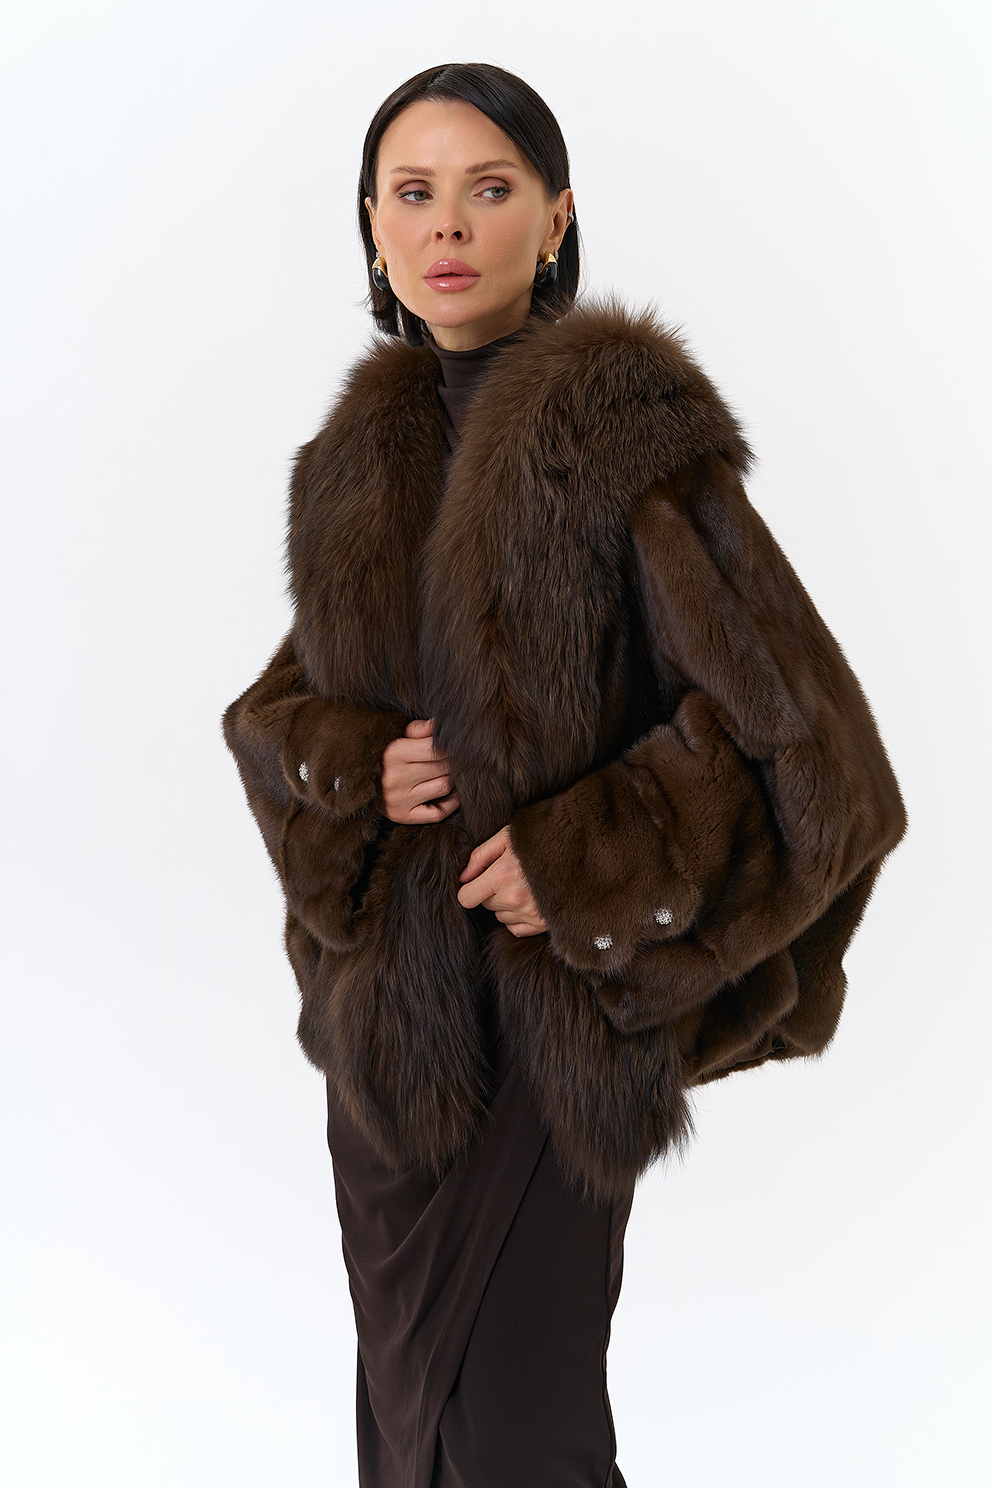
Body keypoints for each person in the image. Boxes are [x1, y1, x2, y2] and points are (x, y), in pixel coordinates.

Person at [223, 61, 906, 1488]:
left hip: (545, 1047)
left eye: (490, 189)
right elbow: (270, 719)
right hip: (390, 1065)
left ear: (557, 216)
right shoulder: (352, 464)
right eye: (413, 193)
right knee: (409, 1444)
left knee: (519, 1443)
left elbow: (817, 756)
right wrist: (357, 769)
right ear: (372, 227)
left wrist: (582, 864)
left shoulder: (621, 441)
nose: (447, 225)